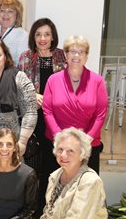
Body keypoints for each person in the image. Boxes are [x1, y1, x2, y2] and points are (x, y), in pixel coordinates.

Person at [18, 18, 66, 219]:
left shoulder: (62, 57)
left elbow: (68, 87)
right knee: (33, 168)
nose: (43, 38)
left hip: (57, 119)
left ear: (53, 36)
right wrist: (32, 95)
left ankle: (53, 213)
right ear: (33, 37)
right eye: (38, 34)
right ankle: (33, 214)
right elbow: (18, 88)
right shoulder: (26, 58)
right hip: (34, 120)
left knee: (53, 166)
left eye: (47, 34)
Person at [43, 35, 107, 175]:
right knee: (56, 188)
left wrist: (86, 139)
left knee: (86, 190)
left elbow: (101, 114)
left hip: (88, 145)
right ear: (65, 54)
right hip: (58, 145)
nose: (76, 55)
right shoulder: (53, 80)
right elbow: (47, 111)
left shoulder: (97, 81)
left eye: (81, 51)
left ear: (86, 56)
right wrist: (59, 137)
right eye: (72, 51)